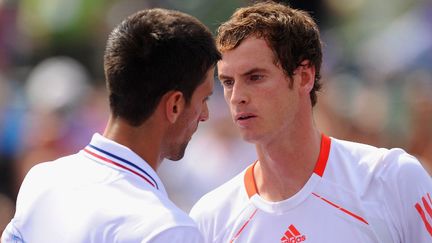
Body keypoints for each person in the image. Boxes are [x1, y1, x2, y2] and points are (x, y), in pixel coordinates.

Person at [189, 2, 432, 242]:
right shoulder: (210, 219)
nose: (237, 97)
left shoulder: (393, 179)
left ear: (304, 77)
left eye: (255, 77)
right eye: (228, 82)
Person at [2, 8, 220, 243]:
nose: (205, 114)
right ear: (175, 105)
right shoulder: (167, 230)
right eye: (204, 99)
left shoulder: (42, 180)